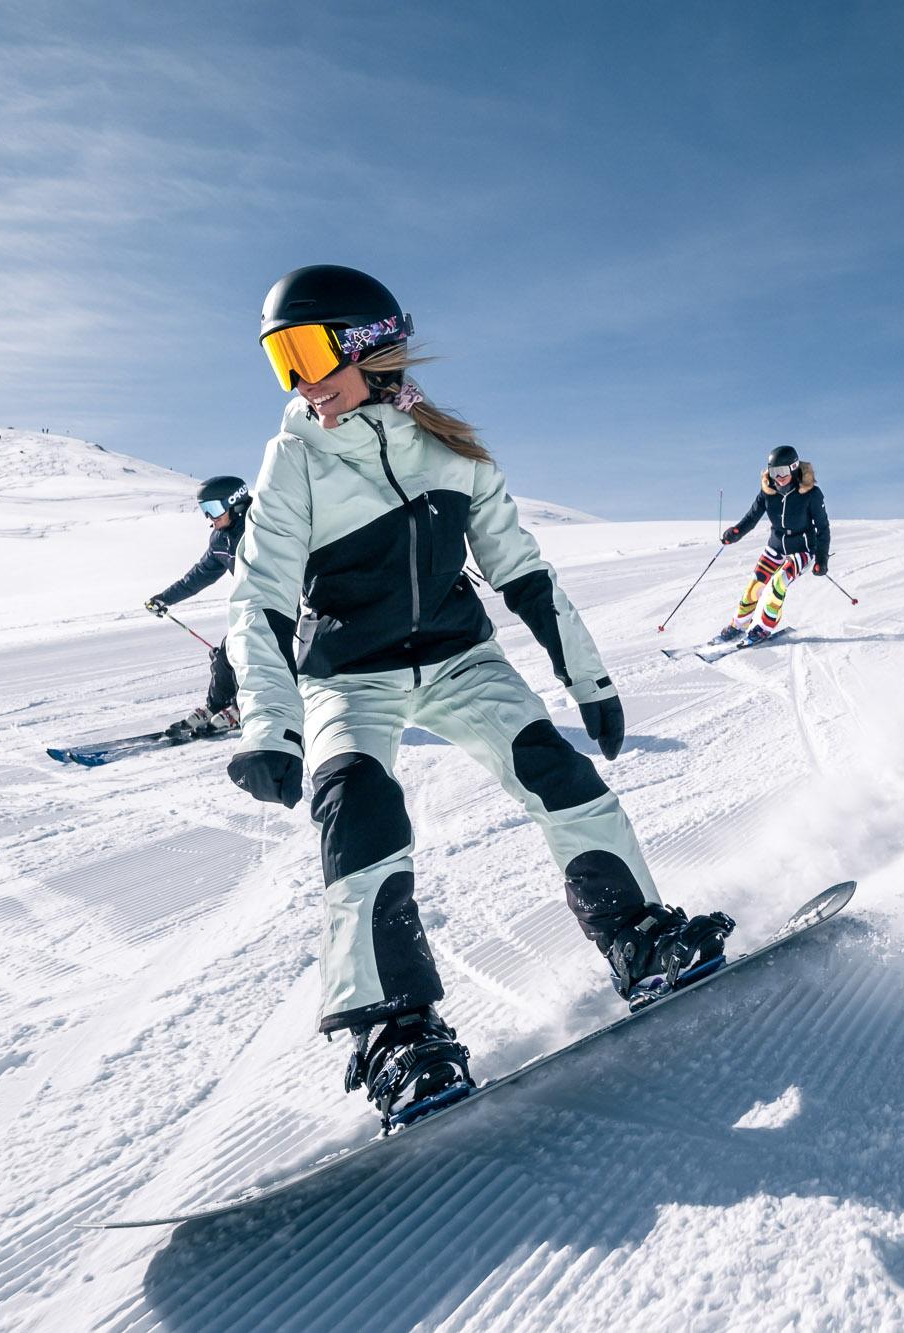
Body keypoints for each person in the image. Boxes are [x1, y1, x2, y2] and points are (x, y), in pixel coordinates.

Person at [224, 265, 735, 1129]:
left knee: (557, 772)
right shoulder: (294, 461)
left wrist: (589, 678)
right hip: (352, 673)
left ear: (364, 345)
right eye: (282, 360)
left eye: (308, 350)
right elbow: (260, 595)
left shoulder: (451, 447)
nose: (301, 380)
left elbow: (523, 569)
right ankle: (396, 1032)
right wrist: (268, 723)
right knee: (360, 805)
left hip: (461, 658)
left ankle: (636, 934)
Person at [145, 476, 250, 737]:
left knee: (252, 654)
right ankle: (216, 707)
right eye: (205, 512)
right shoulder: (220, 539)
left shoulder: (261, 527)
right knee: (225, 656)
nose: (210, 519)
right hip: (249, 605)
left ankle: (244, 707)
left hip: (282, 603)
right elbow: (200, 575)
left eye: (213, 510)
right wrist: (164, 598)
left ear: (235, 503)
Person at [716, 445, 831, 645]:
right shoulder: (768, 492)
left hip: (802, 548)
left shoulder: (811, 493)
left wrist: (821, 559)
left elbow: (823, 528)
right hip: (776, 546)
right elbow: (751, 518)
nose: (778, 477)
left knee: (779, 582)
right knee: (756, 583)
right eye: (774, 471)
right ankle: (739, 625)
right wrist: (735, 532)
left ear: (794, 468)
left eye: (783, 471)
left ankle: (764, 627)